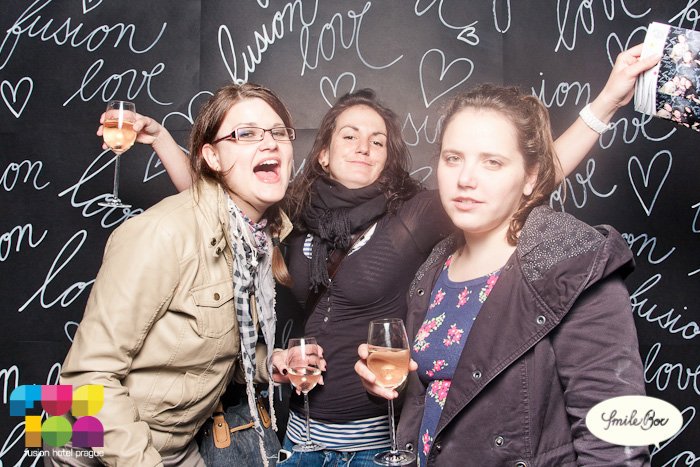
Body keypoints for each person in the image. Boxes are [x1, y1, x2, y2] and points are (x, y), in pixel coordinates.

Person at [135, 45, 658, 466]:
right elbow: (214, 201)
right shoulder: (290, 214)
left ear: (388, 159)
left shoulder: (417, 217)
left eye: (378, 140)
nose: (363, 146)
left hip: (374, 440)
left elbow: (522, 178)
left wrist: (604, 104)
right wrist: (161, 141)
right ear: (323, 152)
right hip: (298, 435)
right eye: (349, 135)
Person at [354, 84, 649, 466]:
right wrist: (384, 386)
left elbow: (615, 439)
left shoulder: (571, 263)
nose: (465, 178)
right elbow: (442, 393)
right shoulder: (433, 268)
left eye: (492, 162)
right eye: (453, 158)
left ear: (531, 177)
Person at [47, 82, 295, 466]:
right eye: (246, 133)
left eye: (278, 132)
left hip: (173, 448)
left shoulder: (253, 241)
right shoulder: (162, 233)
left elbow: (211, 350)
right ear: (212, 157)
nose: (269, 143)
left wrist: (270, 364)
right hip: (100, 451)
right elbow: (87, 378)